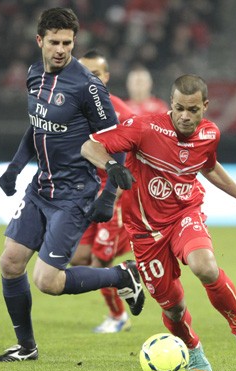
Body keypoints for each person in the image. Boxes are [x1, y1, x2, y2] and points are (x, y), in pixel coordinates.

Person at [82, 74, 236, 371]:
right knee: (173, 307)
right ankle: (192, 347)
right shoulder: (144, 127)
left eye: (193, 110)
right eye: (179, 108)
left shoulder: (210, 133)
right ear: (171, 104)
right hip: (145, 230)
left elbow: (209, 166)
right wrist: (111, 166)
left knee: (205, 266)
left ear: (205, 106)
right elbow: (90, 147)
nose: (185, 116)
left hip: (184, 213)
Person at [0, 7, 145, 363]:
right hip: (40, 187)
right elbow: (37, 127)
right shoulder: (34, 75)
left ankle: (122, 275)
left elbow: (115, 140)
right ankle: (27, 347)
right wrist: (15, 168)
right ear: (40, 42)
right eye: (54, 42)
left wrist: (109, 195)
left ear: (74, 42)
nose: (61, 49)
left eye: (67, 42)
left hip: (74, 194)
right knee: (10, 263)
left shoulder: (87, 86)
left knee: (48, 281)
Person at [70, 49, 134, 333]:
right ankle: (137, 263)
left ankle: (118, 317)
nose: (89, 80)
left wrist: (118, 190)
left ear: (106, 77)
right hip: (84, 195)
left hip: (114, 195)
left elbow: (139, 148)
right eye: (84, 74)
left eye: (95, 75)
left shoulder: (121, 111)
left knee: (99, 262)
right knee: (78, 258)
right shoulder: (72, 109)